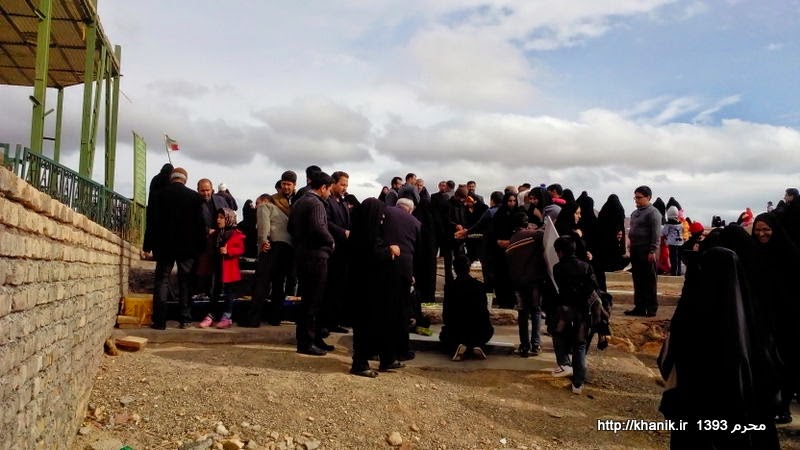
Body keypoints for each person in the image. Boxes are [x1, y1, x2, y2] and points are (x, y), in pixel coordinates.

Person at [658, 240, 780, 449]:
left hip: (695, 411)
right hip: (740, 415)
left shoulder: (693, 315)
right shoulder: (751, 319)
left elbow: (668, 362)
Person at [142, 167, 205, 329]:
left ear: (171, 178)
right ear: (185, 179)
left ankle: (159, 321)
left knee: (162, 281)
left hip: (164, 246)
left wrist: (147, 245)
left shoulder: (158, 195)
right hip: (188, 247)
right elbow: (200, 225)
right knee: (186, 282)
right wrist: (202, 247)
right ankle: (185, 319)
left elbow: (151, 222)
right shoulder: (195, 197)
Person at [752, 213, 800, 425]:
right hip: (762, 317)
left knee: (786, 362)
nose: (761, 234)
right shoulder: (754, 253)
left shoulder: (790, 254)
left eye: (766, 229)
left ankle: (783, 406)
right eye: (758, 230)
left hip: (788, 318)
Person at [347, 198, 401, 377]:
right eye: (380, 214)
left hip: (375, 288)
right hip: (366, 289)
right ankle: (360, 363)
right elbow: (372, 255)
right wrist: (390, 250)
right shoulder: (366, 234)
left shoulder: (366, 231)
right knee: (365, 326)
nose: (383, 217)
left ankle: (386, 358)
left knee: (380, 323)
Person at [289, 170, 335, 356]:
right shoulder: (316, 203)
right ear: (323, 188)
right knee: (313, 301)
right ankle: (307, 342)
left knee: (308, 300)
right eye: (329, 189)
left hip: (302, 254)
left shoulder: (300, 201)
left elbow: (291, 227)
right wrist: (331, 241)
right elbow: (318, 227)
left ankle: (313, 339)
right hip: (316, 256)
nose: (329, 193)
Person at [552, 235, 598, 394]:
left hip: (565, 310)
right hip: (583, 311)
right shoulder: (586, 266)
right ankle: (578, 383)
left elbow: (559, 286)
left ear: (559, 252)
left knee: (558, 335)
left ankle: (565, 364)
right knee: (580, 344)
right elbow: (594, 287)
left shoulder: (557, 268)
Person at [383, 197, 422, 362]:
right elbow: (419, 251)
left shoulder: (385, 212)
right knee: (401, 311)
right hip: (404, 268)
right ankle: (401, 350)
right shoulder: (415, 222)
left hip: (382, 263)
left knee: (383, 309)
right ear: (410, 210)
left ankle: (379, 349)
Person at [505, 212, 547, 357]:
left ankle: (524, 346)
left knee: (523, 314)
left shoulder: (512, 240)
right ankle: (535, 345)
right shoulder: (532, 235)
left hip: (518, 283)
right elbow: (545, 234)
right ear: (526, 223)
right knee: (535, 312)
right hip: (534, 282)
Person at [198, 208, 245, 329]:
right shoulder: (215, 234)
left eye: (222, 218)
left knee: (229, 294)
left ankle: (227, 317)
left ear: (228, 219)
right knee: (214, 292)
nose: (218, 220)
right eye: (218, 217)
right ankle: (211, 316)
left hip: (229, 269)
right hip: (216, 267)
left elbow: (240, 249)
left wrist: (228, 251)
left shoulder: (235, 233)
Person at [440, 255, 494, 361]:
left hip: (456, 329)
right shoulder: (479, 286)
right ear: (469, 268)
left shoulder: (450, 286)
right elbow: (484, 312)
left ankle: (458, 346)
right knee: (488, 330)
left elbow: (446, 314)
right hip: (476, 329)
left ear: (455, 269)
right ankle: (477, 345)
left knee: (444, 335)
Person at [322, 171, 352, 334]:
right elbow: (326, 222)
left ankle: (334, 321)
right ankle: (325, 322)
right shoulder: (328, 201)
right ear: (333, 183)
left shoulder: (343, 201)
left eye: (346, 185)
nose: (344, 188)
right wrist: (342, 232)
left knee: (339, 288)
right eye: (342, 184)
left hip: (343, 252)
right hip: (331, 250)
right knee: (329, 288)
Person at [625, 186, 661, 317]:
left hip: (647, 250)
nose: (636, 200)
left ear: (648, 197)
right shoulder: (635, 213)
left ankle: (651, 308)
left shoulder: (653, 213)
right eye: (635, 197)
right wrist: (630, 242)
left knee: (649, 280)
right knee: (638, 279)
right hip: (636, 249)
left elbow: (656, 234)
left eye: (639, 197)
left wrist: (652, 251)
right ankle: (639, 307)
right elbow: (632, 230)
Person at [195, 178, 231, 300]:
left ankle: (217, 292)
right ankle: (203, 292)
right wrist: (206, 231)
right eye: (202, 190)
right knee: (204, 269)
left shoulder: (221, 200)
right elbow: (191, 222)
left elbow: (229, 217)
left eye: (207, 190)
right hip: (203, 241)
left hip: (220, 240)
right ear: (198, 190)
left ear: (212, 190)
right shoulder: (194, 203)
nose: (205, 193)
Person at [662, 206, 684, 276]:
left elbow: (664, 232)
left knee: (673, 258)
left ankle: (674, 272)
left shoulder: (668, 224)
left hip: (672, 243)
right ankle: (679, 272)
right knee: (679, 258)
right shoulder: (680, 223)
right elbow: (683, 231)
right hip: (680, 243)